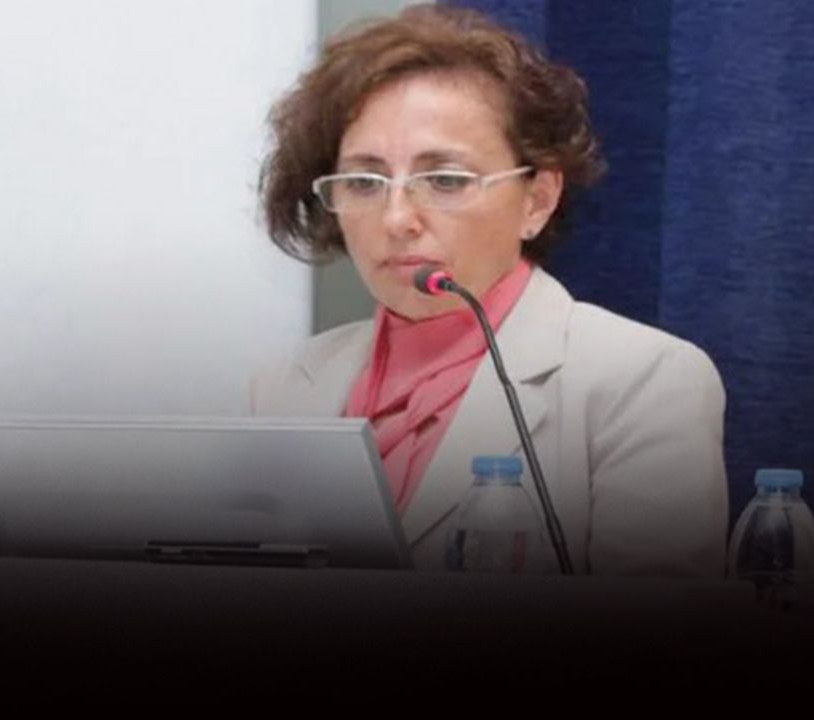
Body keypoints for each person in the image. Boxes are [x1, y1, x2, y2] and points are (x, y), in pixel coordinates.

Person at [250, 6, 727, 576]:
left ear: (537, 200)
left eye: (445, 179)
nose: (397, 219)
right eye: (363, 182)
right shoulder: (282, 388)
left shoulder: (644, 381)